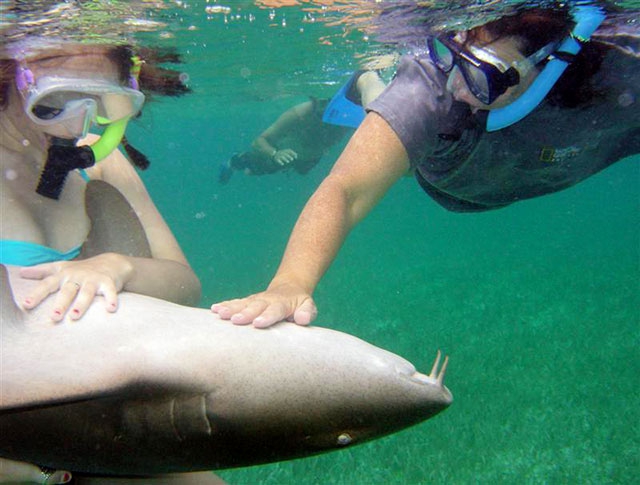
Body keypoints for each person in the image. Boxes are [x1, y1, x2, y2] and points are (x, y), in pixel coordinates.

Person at [211, 4, 639, 328]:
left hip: (514, 170)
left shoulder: (623, 78)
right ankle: (369, 80)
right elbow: (346, 188)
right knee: (397, 152)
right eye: (448, 53)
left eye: (482, 75)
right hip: (446, 174)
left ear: (552, 65)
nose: (456, 87)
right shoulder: (431, 88)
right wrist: (291, 283)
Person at [0, 40, 201, 482]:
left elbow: (186, 286)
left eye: (102, 100)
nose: (80, 120)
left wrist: (117, 266)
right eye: (56, 98)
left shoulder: (101, 163)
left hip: (95, 417)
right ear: (13, 77)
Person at [217, 70, 386, 183]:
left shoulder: (346, 115)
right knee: (253, 168)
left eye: (326, 102)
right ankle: (233, 162)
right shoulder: (302, 112)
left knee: (294, 170)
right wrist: (275, 153)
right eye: (320, 102)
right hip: (280, 153)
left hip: (306, 159)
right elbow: (259, 141)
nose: (323, 105)